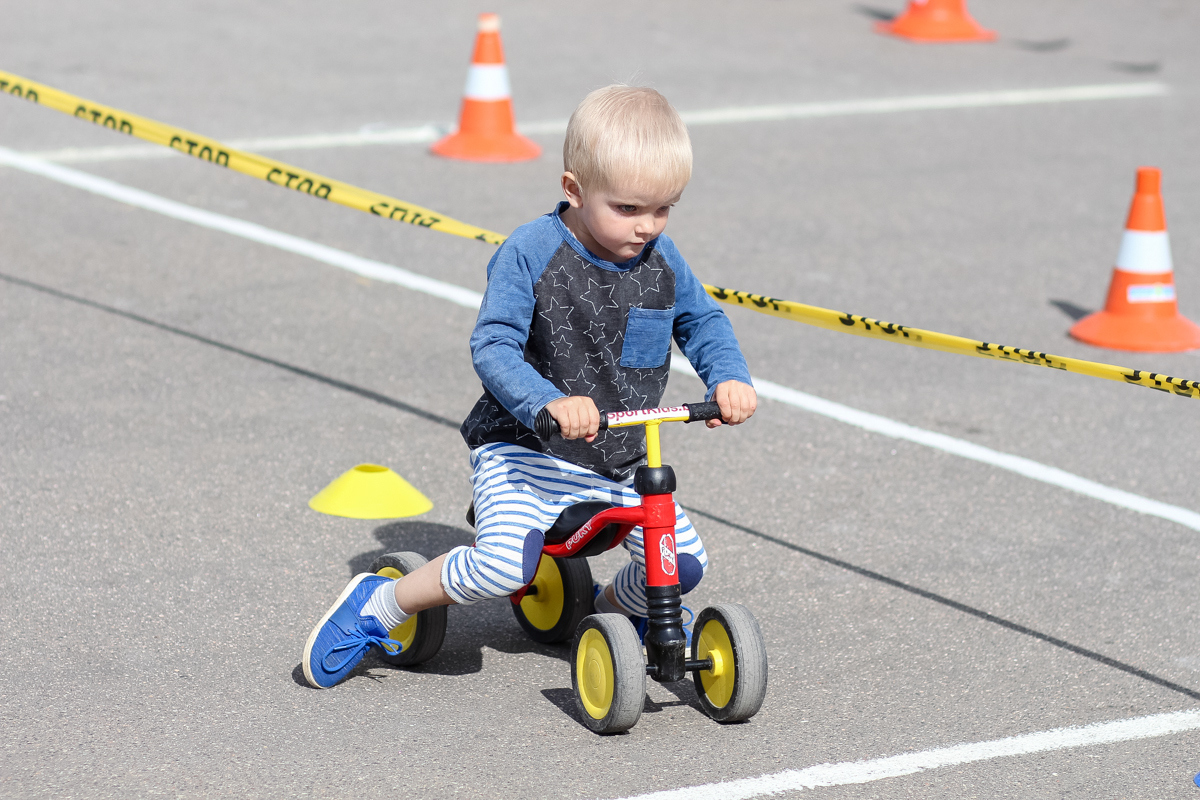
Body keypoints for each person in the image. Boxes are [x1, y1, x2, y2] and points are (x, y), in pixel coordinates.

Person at [303, 85, 757, 689]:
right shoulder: (531, 252)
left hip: (619, 455)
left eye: (664, 208)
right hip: (526, 449)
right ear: (573, 189)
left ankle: (612, 620)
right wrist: (547, 401)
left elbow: (701, 320)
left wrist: (728, 376)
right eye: (628, 209)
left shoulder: (660, 258)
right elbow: (492, 346)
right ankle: (381, 603)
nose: (648, 227)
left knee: (682, 566)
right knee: (501, 568)